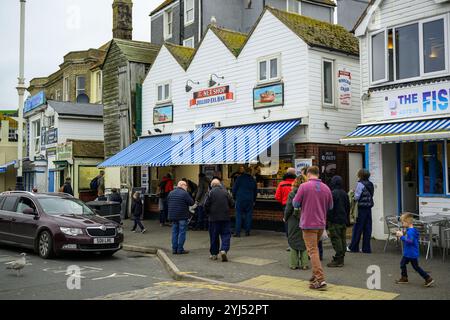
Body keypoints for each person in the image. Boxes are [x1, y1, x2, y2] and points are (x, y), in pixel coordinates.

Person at [293, 166, 333, 291]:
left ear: (308, 174)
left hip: (308, 223)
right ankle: (315, 276)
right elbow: (330, 206)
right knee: (314, 250)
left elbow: (295, 203)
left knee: (312, 251)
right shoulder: (326, 188)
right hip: (321, 223)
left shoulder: (304, 187)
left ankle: (320, 280)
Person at [395, 213, 434, 287]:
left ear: (407, 222)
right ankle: (405, 278)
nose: (402, 224)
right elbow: (410, 238)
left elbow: (410, 241)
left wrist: (401, 236)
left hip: (410, 253)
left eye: (403, 222)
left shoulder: (410, 231)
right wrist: (402, 234)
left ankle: (427, 278)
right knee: (405, 265)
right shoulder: (411, 230)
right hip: (410, 253)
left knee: (412, 266)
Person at [204, 179, 234, 262]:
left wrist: (208, 213)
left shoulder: (210, 193)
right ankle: (224, 250)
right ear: (219, 184)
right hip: (225, 218)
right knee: (226, 235)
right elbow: (232, 203)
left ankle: (214, 254)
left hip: (213, 219)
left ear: (212, 185)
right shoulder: (226, 192)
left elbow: (205, 204)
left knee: (214, 236)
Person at [284, 175, 309, 270]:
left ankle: (293, 264)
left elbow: (288, 208)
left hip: (293, 220)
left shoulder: (292, 193)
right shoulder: (308, 193)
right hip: (305, 219)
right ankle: (305, 264)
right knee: (304, 241)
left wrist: (285, 218)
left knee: (293, 240)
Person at [348, 169, 374, 254]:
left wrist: (353, 192)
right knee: (367, 228)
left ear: (360, 175)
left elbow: (356, 197)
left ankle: (353, 247)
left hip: (361, 209)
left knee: (357, 228)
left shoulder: (360, 184)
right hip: (368, 208)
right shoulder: (370, 184)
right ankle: (366, 248)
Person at [327, 176, 350, 268]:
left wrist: (329, 218)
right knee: (342, 238)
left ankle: (339, 258)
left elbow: (330, 208)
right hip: (343, 219)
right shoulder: (344, 193)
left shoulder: (332, 193)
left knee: (336, 239)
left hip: (334, 220)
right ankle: (341, 257)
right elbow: (348, 207)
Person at [168, 181, 194, 254]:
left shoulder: (171, 193)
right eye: (186, 186)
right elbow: (191, 202)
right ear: (182, 185)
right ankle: (180, 249)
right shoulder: (185, 193)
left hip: (173, 216)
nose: (186, 187)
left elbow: (168, 202)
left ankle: (174, 249)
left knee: (174, 232)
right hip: (182, 216)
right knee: (182, 233)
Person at [232, 167, 257, 237]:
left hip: (240, 199)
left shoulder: (239, 178)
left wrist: (234, 197)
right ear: (250, 172)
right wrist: (254, 200)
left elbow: (234, 189)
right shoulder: (253, 180)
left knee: (238, 215)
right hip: (250, 200)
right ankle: (247, 232)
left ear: (244, 171)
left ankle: (237, 232)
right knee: (248, 216)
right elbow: (255, 191)